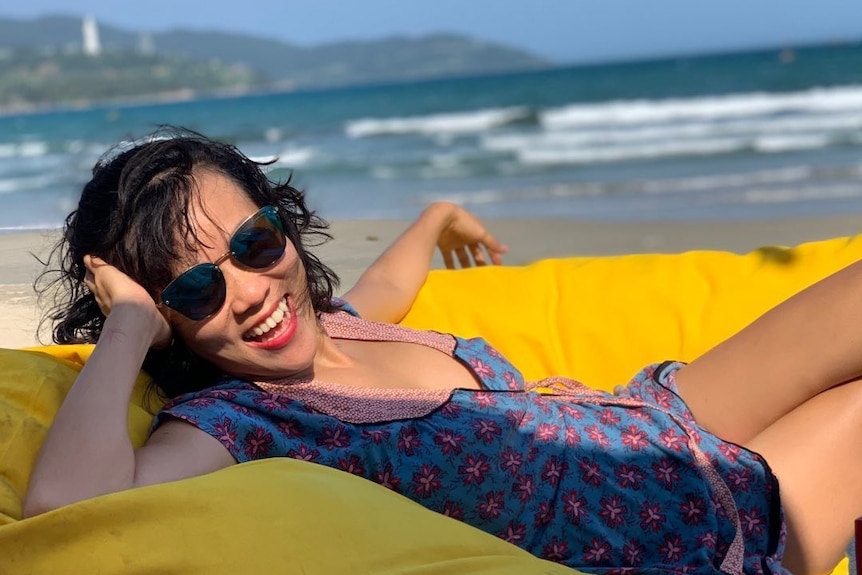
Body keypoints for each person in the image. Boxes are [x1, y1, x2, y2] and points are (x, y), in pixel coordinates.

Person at [22, 128, 862, 575]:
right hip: (686, 526)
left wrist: (433, 218)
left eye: (254, 239)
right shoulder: (234, 419)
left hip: (653, 415)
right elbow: (67, 506)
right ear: (172, 322)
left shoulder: (338, 320)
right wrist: (127, 325)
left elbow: (390, 285)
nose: (247, 287)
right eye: (195, 290)